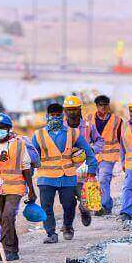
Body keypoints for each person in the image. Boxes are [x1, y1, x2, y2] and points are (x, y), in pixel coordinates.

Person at [32, 103, 98, 243]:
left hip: (67, 176)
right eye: (52, 115)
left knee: (70, 204)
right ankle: (51, 234)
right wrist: (26, 179)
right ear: (47, 116)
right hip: (46, 178)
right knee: (46, 207)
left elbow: (88, 150)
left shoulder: (73, 132)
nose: (55, 118)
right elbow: (32, 158)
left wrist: (92, 170)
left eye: (57, 115)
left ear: (62, 116)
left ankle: (68, 226)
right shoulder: (38, 135)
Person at [0, 113, 36, 261]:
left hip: (15, 188)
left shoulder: (19, 144)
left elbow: (26, 168)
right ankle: (12, 250)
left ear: (9, 129)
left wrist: (31, 190)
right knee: (4, 220)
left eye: (3, 127)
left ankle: (6, 248)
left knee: (7, 216)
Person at [63, 95, 104, 226]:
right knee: (68, 201)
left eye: (74, 109)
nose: (72, 112)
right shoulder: (61, 127)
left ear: (79, 109)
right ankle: (67, 226)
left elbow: (100, 141)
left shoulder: (87, 126)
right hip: (67, 169)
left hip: (85, 168)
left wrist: (92, 149)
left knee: (85, 197)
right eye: (69, 109)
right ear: (65, 111)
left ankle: (84, 210)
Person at [86, 95, 122, 216]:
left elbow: (123, 138)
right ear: (96, 106)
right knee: (94, 181)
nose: (103, 107)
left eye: (105, 104)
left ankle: (103, 206)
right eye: (100, 105)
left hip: (109, 155)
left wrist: (124, 157)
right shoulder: (89, 118)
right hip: (93, 155)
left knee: (103, 179)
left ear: (108, 105)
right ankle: (102, 204)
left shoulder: (117, 120)